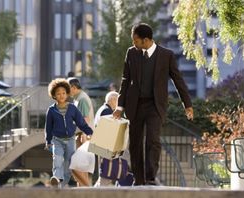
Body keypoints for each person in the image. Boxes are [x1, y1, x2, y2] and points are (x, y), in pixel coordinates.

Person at [113, 23, 193, 186]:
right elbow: (125, 80)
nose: (133, 43)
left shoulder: (166, 55)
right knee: (135, 143)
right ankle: (138, 178)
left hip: (155, 105)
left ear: (146, 40)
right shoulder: (131, 53)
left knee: (153, 140)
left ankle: (150, 177)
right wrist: (120, 106)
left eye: (135, 40)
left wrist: (187, 104)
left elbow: (178, 80)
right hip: (135, 105)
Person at [45, 78, 93, 188]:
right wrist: (48, 141)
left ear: (67, 94)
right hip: (57, 140)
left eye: (63, 93)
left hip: (70, 140)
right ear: (54, 95)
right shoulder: (51, 110)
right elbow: (48, 127)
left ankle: (61, 186)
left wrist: (89, 132)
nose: (61, 95)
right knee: (57, 159)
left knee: (68, 165)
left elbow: (81, 123)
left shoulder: (72, 108)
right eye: (58, 93)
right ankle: (56, 178)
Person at [68, 77, 95, 186]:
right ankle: (83, 190)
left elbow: (85, 120)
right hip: (81, 135)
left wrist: (83, 135)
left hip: (84, 136)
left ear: (74, 88)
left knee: (79, 166)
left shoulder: (82, 99)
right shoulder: (77, 98)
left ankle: (86, 190)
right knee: (80, 166)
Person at [93, 91, 119, 186]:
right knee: (106, 175)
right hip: (105, 147)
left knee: (104, 175)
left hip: (101, 146)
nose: (118, 104)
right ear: (112, 100)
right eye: (117, 101)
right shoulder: (107, 111)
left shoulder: (102, 109)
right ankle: (97, 193)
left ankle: (96, 191)